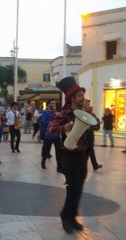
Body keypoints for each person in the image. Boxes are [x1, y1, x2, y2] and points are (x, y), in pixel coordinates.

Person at [46, 76, 92, 234]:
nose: (83, 98)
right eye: (80, 95)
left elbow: (96, 125)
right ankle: (65, 216)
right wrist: (65, 127)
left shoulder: (83, 111)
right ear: (72, 98)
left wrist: (92, 117)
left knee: (79, 188)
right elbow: (49, 130)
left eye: (82, 95)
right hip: (68, 155)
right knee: (75, 186)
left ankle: (72, 216)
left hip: (82, 154)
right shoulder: (63, 113)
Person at [40, 99, 61, 172]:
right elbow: (43, 122)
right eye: (52, 103)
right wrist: (42, 133)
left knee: (58, 151)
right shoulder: (45, 112)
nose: (53, 105)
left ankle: (59, 166)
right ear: (49, 104)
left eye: (54, 103)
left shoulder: (56, 113)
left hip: (56, 134)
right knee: (46, 150)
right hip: (48, 134)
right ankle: (43, 162)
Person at [83, 99, 102, 171]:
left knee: (90, 149)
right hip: (84, 133)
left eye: (88, 103)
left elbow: (96, 122)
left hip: (90, 133)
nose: (88, 105)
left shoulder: (91, 113)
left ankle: (93, 165)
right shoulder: (82, 112)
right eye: (86, 103)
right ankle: (93, 165)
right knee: (89, 150)